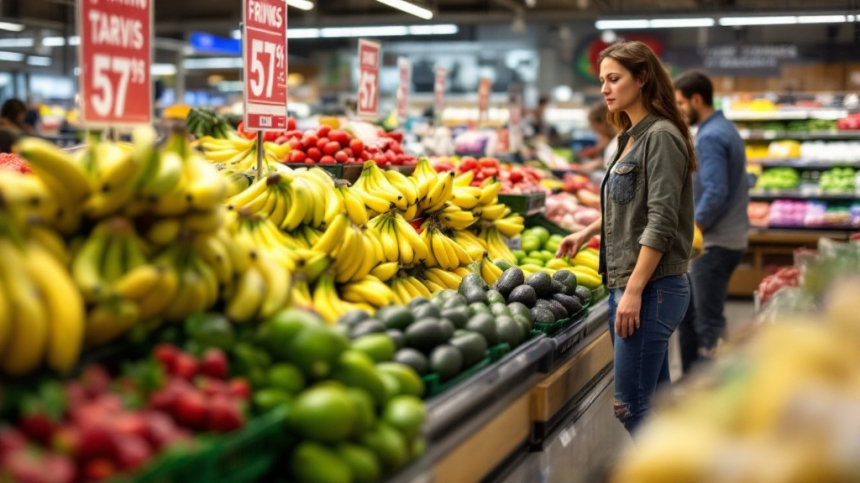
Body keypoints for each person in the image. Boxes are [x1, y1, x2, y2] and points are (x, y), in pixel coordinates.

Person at [556, 41, 696, 435]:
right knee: (656, 405)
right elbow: (630, 207)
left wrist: (633, 290)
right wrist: (587, 231)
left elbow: (662, 219)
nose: (605, 89)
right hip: (634, 285)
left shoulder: (662, 136)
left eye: (614, 79)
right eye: (602, 80)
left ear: (643, 77)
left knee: (631, 407)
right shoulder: (629, 136)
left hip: (653, 288)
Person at [673, 71, 749, 373]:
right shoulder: (722, 128)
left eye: (680, 103)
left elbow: (716, 191)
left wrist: (696, 229)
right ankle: (694, 381)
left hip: (714, 245)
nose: (679, 110)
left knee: (708, 321)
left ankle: (715, 388)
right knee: (692, 317)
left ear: (696, 99)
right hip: (727, 238)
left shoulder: (711, 136)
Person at [577, 102, 619, 174]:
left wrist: (597, 164)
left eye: (593, 124)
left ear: (604, 122)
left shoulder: (618, 141)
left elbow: (616, 165)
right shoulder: (605, 139)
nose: (593, 130)